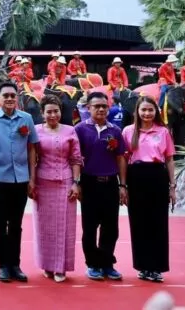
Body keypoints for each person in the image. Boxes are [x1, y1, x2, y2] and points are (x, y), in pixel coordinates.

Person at [0, 81, 39, 283]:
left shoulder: (27, 119)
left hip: (21, 179)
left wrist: (32, 178)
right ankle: (2, 265)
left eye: (13, 95)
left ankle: (15, 264)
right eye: (5, 95)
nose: (10, 99)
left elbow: (32, 149)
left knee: (16, 224)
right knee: (0, 223)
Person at [74, 91, 128, 281]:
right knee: (89, 227)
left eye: (104, 106)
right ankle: (93, 264)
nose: (101, 109)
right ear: (88, 108)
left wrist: (123, 185)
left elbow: (121, 158)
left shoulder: (115, 130)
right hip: (89, 183)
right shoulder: (79, 130)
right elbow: (75, 159)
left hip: (110, 183)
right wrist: (77, 183)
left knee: (111, 227)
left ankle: (107, 263)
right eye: (96, 106)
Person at [122, 97, 176, 283]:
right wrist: (123, 185)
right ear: (137, 111)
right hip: (136, 177)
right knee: (138, 223)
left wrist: (172, 186)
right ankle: (143, 266)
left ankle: (156, 267)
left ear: (156, 111)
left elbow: (169, 159)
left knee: (158, 223)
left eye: (150, 110)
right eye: (143, 110)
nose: (147, 113)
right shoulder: (128, 131)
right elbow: (123, 159)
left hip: (158, 178)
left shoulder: (163, 132)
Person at [32, 95, 82, 283]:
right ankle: (47, 265)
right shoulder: (35, 131)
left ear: (61, 111)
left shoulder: (70, 131)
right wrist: (31, 183)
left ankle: (60, 268)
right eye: (49, 112)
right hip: (42, 183)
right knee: (44, 228)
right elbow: (31, 158)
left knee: (64, 226)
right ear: (42, 114)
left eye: (56, 111)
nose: (53, 115)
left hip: (66, 182)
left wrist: (76, 183)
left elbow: (76, 158)